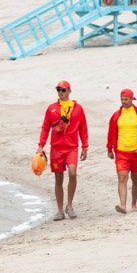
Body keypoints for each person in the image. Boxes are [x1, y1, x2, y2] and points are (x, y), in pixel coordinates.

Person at [36, 80, 89, 220]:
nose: (61, 93)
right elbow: (45, 128)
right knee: (58, 178)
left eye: (63, 90)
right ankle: (60, 210)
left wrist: (85, 146)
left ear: (69, 91)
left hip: (72, 147)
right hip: (56, 149)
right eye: (58, 90)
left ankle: (69, 205)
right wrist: (41, 146)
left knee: (72, 173)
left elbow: (83, 128)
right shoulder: (51, 108)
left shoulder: (77, 108)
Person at [106, 88, 137, 214]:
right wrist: (109, 148)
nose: (123, 102)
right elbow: (111, 133)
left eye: (126, 99)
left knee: (136, 179)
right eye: (122, 99)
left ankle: (134, 203)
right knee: (122, 177)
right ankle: (123, 205)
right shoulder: (116, 115)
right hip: (121, 152)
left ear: (131, 99)